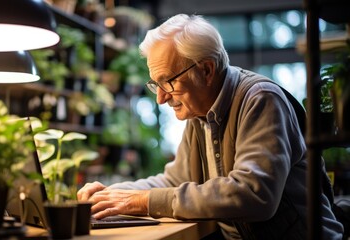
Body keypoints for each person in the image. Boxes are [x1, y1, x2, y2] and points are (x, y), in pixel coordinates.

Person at [77, 14, 344, 239]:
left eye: (167, 81)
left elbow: (253, 194)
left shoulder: (261, 99)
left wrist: (142, 201)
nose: (160, 97)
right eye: (155, 84)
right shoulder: (199, 112)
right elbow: (175, 180)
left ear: (206, 70)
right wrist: (112, 195)